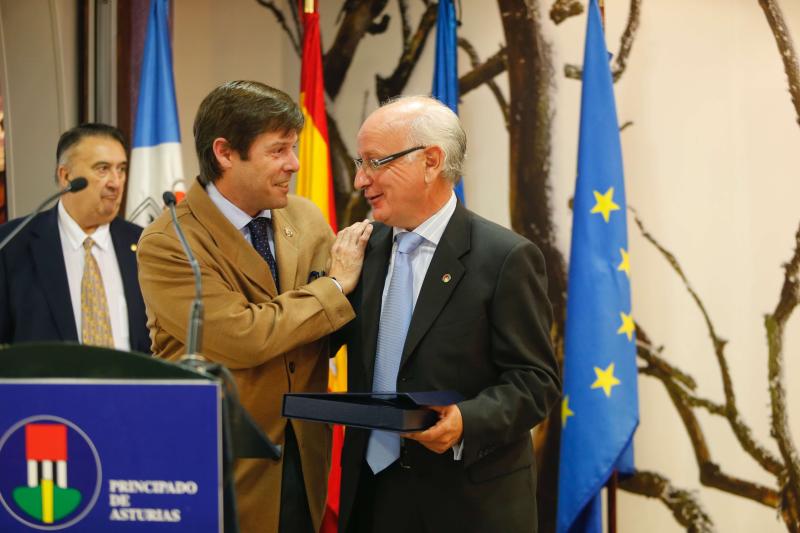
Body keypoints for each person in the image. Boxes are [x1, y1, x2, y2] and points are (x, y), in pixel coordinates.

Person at [136, 80, 372, 533]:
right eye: (279, 150)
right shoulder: (170, 242)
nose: (295, 164)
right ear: (225, 153)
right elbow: (242, 337)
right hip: (220, 462)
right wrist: (336, 288)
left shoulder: (305, 218)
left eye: (296, 147)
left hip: (305, 459)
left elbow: (330, 329)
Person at [337, 96, 561, 533]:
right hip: (371, 495)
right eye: (358, 163)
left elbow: (536, 381)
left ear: (431, 161)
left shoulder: (505, 257)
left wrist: (466, 421)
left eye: (375, 161)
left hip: (467, 502)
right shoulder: (358, 253)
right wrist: (333, 286)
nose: (361, 179)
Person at [0, 123, 150, 353]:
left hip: (133, 388)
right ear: (66, 175)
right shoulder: (13, 244)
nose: (116, 182)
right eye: (102, 169)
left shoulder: (143, 244)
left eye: (121, 169)